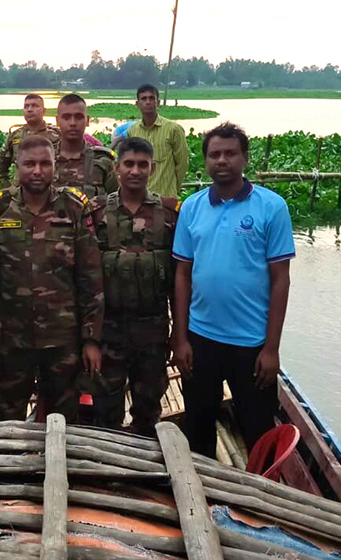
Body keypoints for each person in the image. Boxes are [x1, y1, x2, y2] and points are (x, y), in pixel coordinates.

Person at [171, 122, 294, 457]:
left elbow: (280, 279)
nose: (221, 161)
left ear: (245, 159)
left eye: (230, 153)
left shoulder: (272, 207)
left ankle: (260, 499)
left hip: (251, 345)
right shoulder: (192, 208)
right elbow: (182, 274)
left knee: (258, 429)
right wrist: (180, 338)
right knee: (198, 424)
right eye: (214, 155)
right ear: (206, 161)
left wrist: (272, 348)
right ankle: (206, 497)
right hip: (201, 339)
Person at [0, 135, 104, 422]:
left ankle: (58, 466)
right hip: (12, 340)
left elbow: (90, 276)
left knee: (64, 415)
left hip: (62, 337)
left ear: (55, 166)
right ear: (17, 167)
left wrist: (91, 339)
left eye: (44, 164)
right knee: (7, 416)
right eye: (29, 164)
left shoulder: (74, 207)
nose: (37, 171)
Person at [91, 137, 179, 436]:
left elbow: (179, 279)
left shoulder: (169, 214)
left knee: (148, 407)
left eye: (143, 165)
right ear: (117, 168)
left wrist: (179, 333)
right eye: (129, 164)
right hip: (108, 330)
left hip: (152, 331)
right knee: (106, 409)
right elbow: (85, 276)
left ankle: (144, 468)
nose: (135, 171)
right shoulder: (96, 213)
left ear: (152, 169)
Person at [127, 85, 190, 197]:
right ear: (137, 104)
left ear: (158, 102)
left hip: (165, 198)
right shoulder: (132, 131)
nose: (148, 102)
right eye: (144, 99)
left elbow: (182, 164)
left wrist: (174, 189)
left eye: (152, 98)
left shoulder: (173, 129)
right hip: (140, 199)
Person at [53, 94, 117, 198]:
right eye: (66, 118)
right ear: (57, 121)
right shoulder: (44, 160)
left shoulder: (103, 161)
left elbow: (118, 202)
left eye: (78, 117)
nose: (72, 123)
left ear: (87, 121)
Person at [0, 94, 61, 189]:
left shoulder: (56, 135)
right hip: (21, 193)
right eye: (26, 106)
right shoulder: (15, 136)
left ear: (44, 111)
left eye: (35, 106)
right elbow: (1, 164)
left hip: (50, 192)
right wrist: (8, 187)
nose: (30, 110)